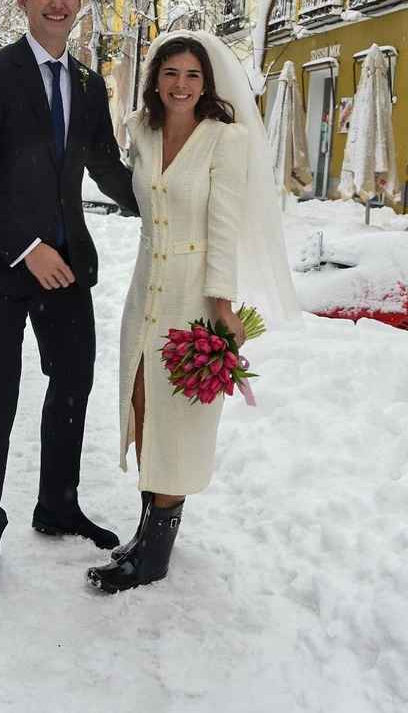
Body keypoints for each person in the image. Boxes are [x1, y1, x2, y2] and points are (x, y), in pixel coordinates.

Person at [0, 0, 137, 602]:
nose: (58, 2)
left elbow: (107, 168)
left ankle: (57, 503)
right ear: (23, 0)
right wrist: (27, 246)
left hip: (67, 265)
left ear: (79, 0)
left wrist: (163, 197)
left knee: (73, 382)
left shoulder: (87, 86)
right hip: (0, 264)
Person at [86, 32, 301, 594]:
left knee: (177, 420)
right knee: (142, 402)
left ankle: (155, 554)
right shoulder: (142, 131)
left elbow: (223, 226)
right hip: (145, 287)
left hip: (192, 294)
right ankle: (142, 532)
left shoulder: (225, 140)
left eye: (193, 76)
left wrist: (222, 305)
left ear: (207, 84)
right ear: (155, 78)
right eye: (171, 74)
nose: (181, 86)